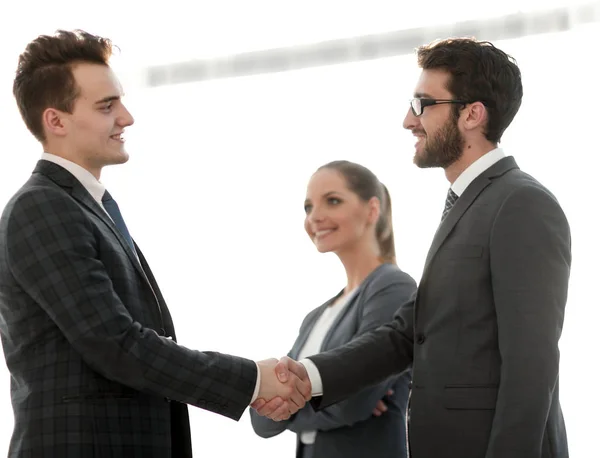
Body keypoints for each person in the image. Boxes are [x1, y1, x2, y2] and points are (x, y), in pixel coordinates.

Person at [255, 38, 571, 458]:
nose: (409, 120)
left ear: (472, 114)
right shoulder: (467, 204)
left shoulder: (521, 203)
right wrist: (307, 376)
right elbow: (407, 333)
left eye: (423, 104)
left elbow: (532, 368)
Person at [0, 29, 309, 458]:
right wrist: (252, 380)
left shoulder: (89, 207)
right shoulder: (42, 208)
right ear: (56, 120)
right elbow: (116, 344)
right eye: (107, 106)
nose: (126, 117)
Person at [250, 160, 416, 457]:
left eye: (333, 201)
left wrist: (291, 407)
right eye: (308, 207)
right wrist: (321, 399)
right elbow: (262, 420)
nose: (315, 216)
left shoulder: (393, 286)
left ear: (372, 210)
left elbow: (354, 403)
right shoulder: (316, 316)